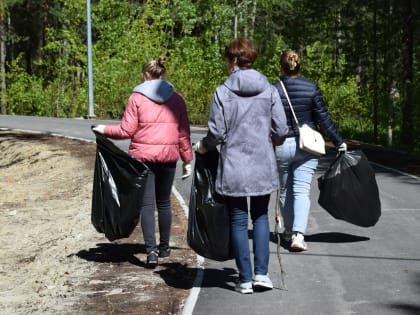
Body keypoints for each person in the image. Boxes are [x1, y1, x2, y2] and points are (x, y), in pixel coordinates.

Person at [194, 38, 289, 294]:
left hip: (234, 165)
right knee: (259, 217)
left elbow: (217, 133)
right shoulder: (269, 90)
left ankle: (245, 279)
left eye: (227, 59)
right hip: (262, 164)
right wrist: (273, 142)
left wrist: (204, 147)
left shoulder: (222, 92)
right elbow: (281, 129)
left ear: (233, 60)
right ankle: (262, 275)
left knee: (238, 219)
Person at [93, 56, 193, 268]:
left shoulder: (136, 98)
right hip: (168, 157)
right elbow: (183, 133)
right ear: (162, 74)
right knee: (164, 202)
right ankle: (165, 248)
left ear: (145, 75)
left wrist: (104, 130)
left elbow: (126, 130)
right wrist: (187, 159)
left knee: (147, 205)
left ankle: (151, 253)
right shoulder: (177, 99)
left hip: (143, 159)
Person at [273, 50, 347, 251]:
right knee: (301, 190)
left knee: (286, 189)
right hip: (308, 146)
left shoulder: (274, 90)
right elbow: (324, 118)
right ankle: (298, 235)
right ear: (300, 66)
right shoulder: (311, 88)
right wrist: (339, 142)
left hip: (282, 144)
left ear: (281, 67)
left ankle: (288, 232)